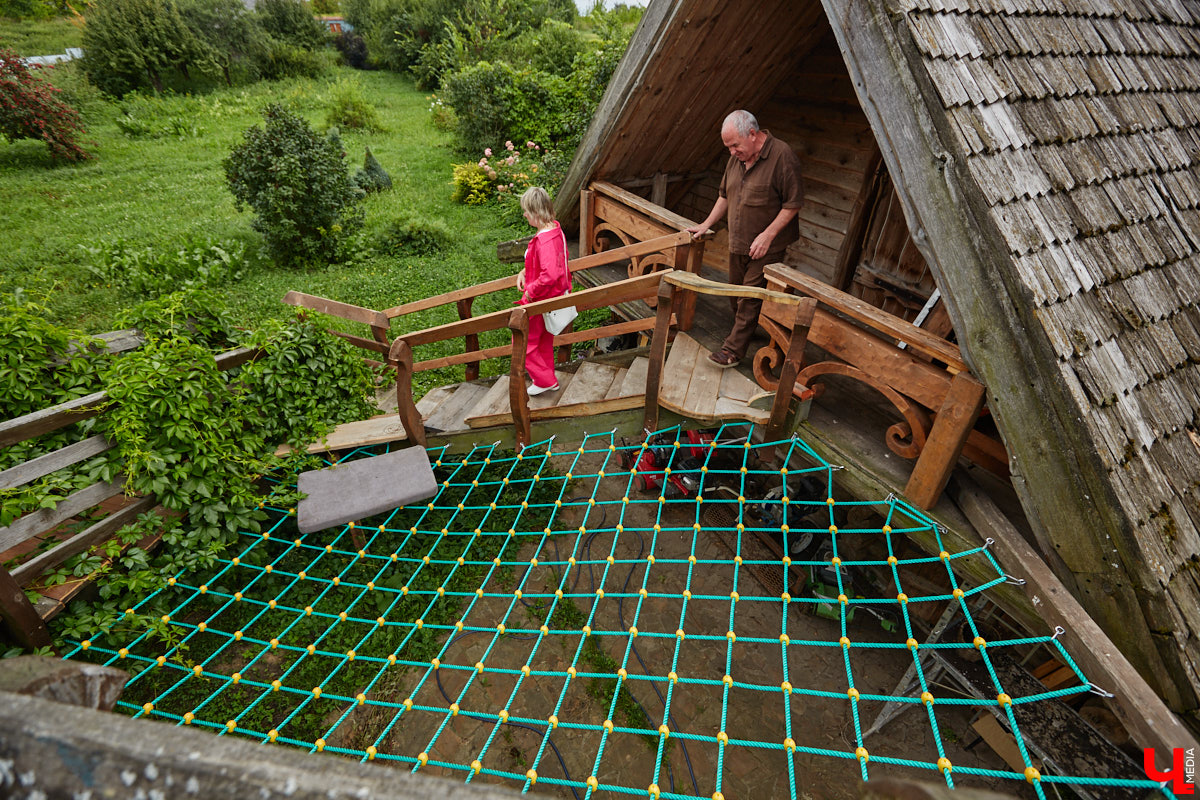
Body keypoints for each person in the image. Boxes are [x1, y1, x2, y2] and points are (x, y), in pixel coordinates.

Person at [686, 110, 805, 368]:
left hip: (767, 245)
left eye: (735, 145)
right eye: (728, 147)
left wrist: (768, 235)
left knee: (749, 297)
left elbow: (793, 204)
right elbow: (724, 196)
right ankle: (748, 329)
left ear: (753, 134)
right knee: (735, 294)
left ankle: (732, 351)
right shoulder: (736, 159)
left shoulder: (782, 156)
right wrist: (706, 224)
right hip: (738, 240)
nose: (731, 152)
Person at [517, 186, 570, 395]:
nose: (524, 214)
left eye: (526, 211)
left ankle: (545, 380)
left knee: (523, 341)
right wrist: (524, 271)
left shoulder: (545, 240)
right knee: (543, 341)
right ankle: (547, 379)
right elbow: (545, 263)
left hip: (539, 300)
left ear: (536, 213)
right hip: (550, 299)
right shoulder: (554, 229)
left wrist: (530, 292)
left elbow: (550, 275)